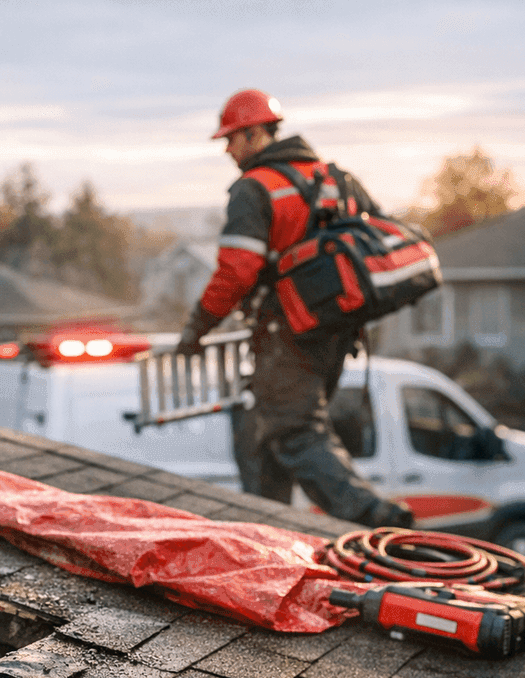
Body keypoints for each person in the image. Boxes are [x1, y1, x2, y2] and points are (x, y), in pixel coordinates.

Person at [176, 89, 414, 529]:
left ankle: (378, 519)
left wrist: (196, 330)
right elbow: (378, 242)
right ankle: (270, 531)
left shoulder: (254, 189)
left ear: (254, 133)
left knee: (293, 431)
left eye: (231, 139)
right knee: (261, 430)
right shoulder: (336, 180)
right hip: (337, 334)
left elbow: (235, 273)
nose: (228, 149)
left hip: (288, 335)